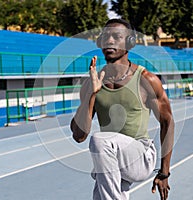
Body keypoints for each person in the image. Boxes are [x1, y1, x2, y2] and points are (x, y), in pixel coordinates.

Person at [70, 19, 174, 200]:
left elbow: (168, 122)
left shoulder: (146, 80)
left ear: (130, 43)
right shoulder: (92, 82)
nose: (110, 41)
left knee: (100, 140)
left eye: (117, 37)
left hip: (141, 156)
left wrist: (164, 172)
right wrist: (90, 95)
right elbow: (79, 136)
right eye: (106, 37)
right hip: (111, 158)